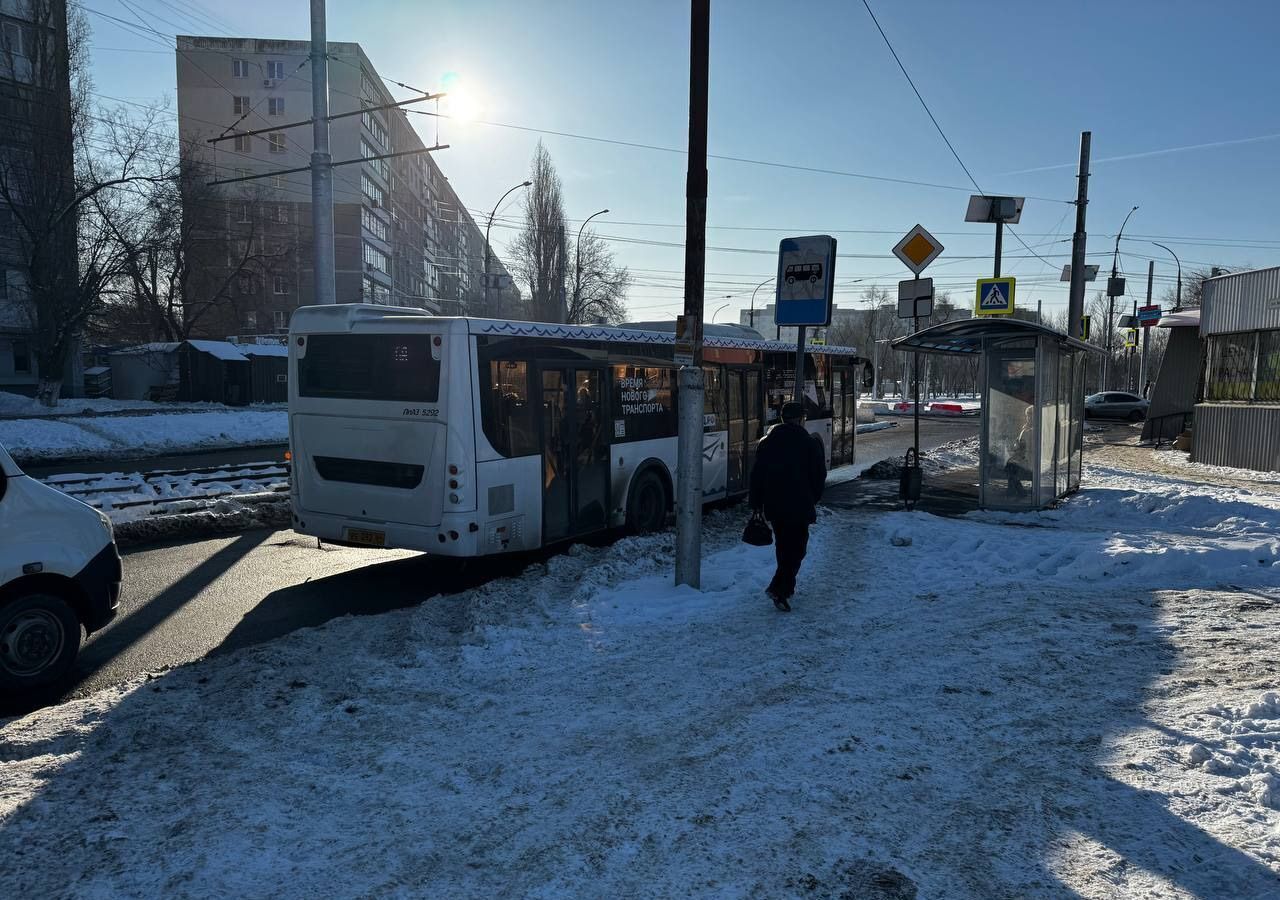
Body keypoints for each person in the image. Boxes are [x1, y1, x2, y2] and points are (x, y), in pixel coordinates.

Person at [749, 400, 827, 612]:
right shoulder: (810, 443)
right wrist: (813, 498)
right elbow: (819, 476)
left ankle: (786, 587)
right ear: (802, 419)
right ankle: (779, 588)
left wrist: (756, 504)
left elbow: (757, 476)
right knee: (798, 549)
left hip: (774, 505)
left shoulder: (767, 442)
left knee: (783, 546)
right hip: (800, 505)